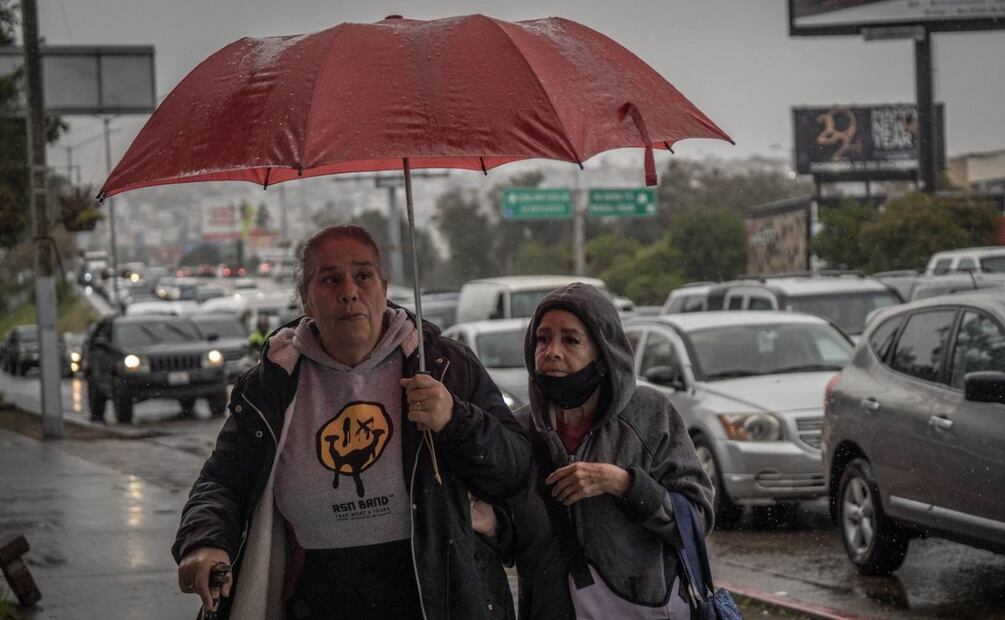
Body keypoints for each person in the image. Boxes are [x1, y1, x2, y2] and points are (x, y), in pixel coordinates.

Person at [172, 225, 530, 620]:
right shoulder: (270, 385)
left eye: (363, 275)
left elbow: (512, 469)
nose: (349, 291)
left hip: (435, 596)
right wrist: (205, 542)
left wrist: (454, 418)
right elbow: (222, 481)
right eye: (329, 279)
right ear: (306, 299)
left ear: (384, 287)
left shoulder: (446, 367)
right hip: (313, 598)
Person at [501, 282, 714, 619]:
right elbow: (513, 543)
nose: (552, 351)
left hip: (643, 609)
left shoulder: (651, 415)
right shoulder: (517, 430)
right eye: (542, 338)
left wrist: (624, 484)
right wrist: (488, 524)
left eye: (571, 340)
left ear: (603, 351)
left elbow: (697, 519)